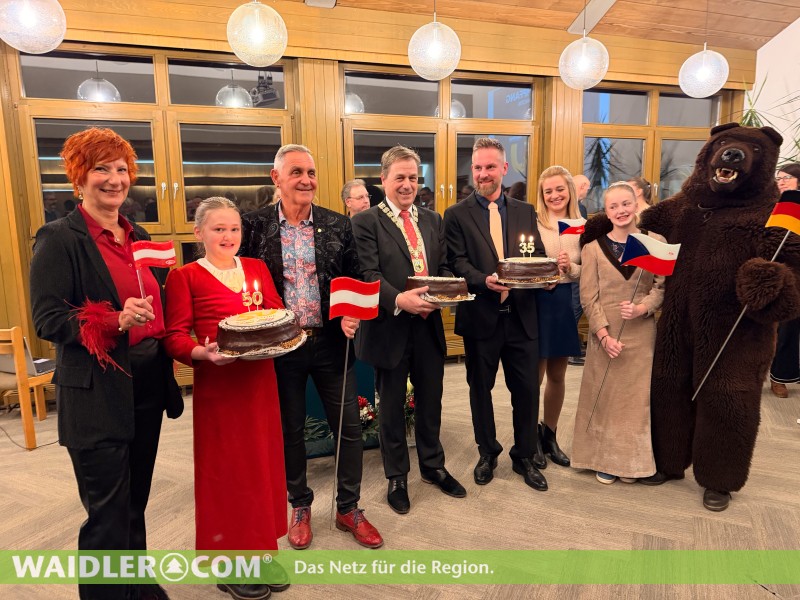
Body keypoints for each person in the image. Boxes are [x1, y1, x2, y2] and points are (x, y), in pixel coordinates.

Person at [30, 127, 182, 600]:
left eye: (121, 169)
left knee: (135, 500)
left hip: (147, 382)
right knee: (107, 512)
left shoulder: (139, 235)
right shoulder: (59, 238)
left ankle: (136, 584)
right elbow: (48, 318)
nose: (115, 179)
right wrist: (115, 320)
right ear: (79, 177)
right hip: (96, 390)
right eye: (101, 169)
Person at [240, 144, 383, 549]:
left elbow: (358, 276)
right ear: (276, 178)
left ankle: (348, 507)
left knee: (350, 429)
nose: (306, 180)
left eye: (311, 173)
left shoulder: (338, 225)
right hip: (281, 346)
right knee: (290, 430)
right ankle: (299, 504)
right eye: (297, 172)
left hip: (331, 343)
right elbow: (239, 279)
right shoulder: (252, 226)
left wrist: (353, 312)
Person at [163, 197, 289, 600]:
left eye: (234, 229)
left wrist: (280, 335)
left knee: (262, 465)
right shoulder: (184, 277)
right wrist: (202, 353)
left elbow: (277, 313)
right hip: (221, 389)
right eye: (218, 229)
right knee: (229, 471)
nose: (228, 236)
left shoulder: (256, 268)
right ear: (199, 232)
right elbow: (174, 336)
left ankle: (262, 548)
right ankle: (229, 559)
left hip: (260, 381)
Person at [352, 146, 466, 515]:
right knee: (391, 408)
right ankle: (397, 477)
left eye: (413, 178)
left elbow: (443, 267)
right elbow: (368, 274)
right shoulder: (365, 221)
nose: (407, 184)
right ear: (383, 179)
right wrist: (400, 299)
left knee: (432, 400)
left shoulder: (432, 219)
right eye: (399, 177)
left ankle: (433, 466)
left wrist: (447, 291)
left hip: (428, 325)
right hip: (389, 327)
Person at [444, 137, 548, 492]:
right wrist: (483, 280)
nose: (483, 174)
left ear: (504, 168)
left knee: (527, 390)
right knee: (480, 390)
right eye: (477, 167)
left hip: (522, 316)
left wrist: (546, 274)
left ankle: (524, 455)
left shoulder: (524, 211)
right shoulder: (456, 214)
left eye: (490, 166)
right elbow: (456, 261)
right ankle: (487, 452)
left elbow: (536, 254)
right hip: (481, 316)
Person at [571, 182, 665, 484]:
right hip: (606, 335)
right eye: (614, 206)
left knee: (635, 403)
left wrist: (642, 308)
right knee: (606, 400)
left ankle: (632, 463)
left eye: (626, 204)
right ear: (606, 211)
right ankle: (603, 460)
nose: (621, 210)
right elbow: (589, 297)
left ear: (636, 204)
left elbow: (661, 287)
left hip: (641, 334)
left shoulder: (655, 242)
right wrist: (603, 335)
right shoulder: (592, 249)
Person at [533, 166, 582, 468]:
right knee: (534, 376)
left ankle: (549, 435)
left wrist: (570, 268)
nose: (554, 195)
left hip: (565, 301)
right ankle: (530, 436)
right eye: (548, 191)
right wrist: (543, 274)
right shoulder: (533, 222)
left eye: (559, 189)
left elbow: (590, 269)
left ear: (569, 191)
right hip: (537, 301)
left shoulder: (583, 226)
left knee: (558, 375)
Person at [769, 162, 800, 397]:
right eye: (778, 177)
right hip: (779, 272)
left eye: (786, 177)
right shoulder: (771, 205)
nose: (781, 181)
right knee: (783, 327)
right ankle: (777, 377)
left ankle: (787, 373)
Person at [570, 173, 592, 366]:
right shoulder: (579, 209)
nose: (588, 191)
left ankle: (574, 346)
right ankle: (571, 350)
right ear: (582, 186)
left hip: (573, 265)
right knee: (575, 306)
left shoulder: (575, 207)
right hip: (576, 264)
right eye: (587, 188)